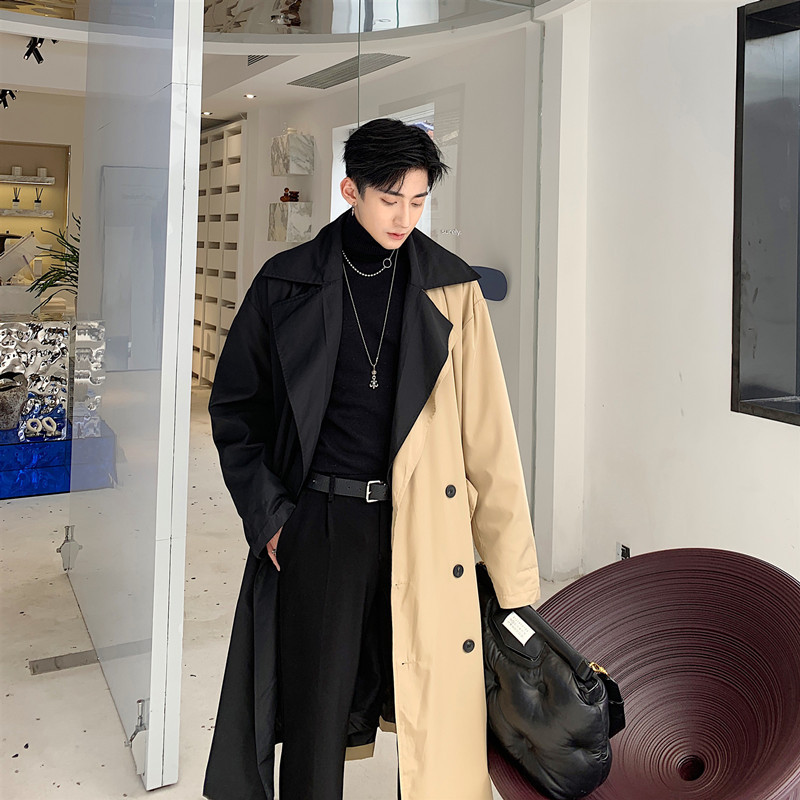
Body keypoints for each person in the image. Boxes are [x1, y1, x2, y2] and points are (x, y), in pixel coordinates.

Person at [202, 118, 540, 800]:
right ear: (349, 189)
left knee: (437, 715)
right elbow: (237, 410)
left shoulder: (452, 289)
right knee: (315, 711)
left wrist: (516, 585)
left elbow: (489, 440)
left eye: (418, 200)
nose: (404, 217)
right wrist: (272, 518)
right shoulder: (286, 283)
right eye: (390, 199)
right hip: (322, 523)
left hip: (426, 524)